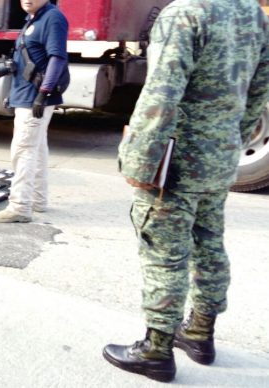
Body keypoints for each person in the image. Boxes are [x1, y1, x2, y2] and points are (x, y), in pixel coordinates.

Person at [102, 0, 269, 383]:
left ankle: (156, 350)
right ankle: (198, 333)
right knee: (209, 240)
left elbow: (162, 91)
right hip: (219, 155)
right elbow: (258, 91)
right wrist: (230, 143)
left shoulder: (185, 13)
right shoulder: (253, 15)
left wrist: (139, 159)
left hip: (176, 158)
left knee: (164, 250)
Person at [0, 0, 68, 223]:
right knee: (37, 147)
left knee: (23, 150)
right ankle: (37, 200)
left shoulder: (53, 17)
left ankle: (20, 206)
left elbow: (58, 57)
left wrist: (43, 93)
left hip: (34, 98)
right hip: (27, 95)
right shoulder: (33, 18)